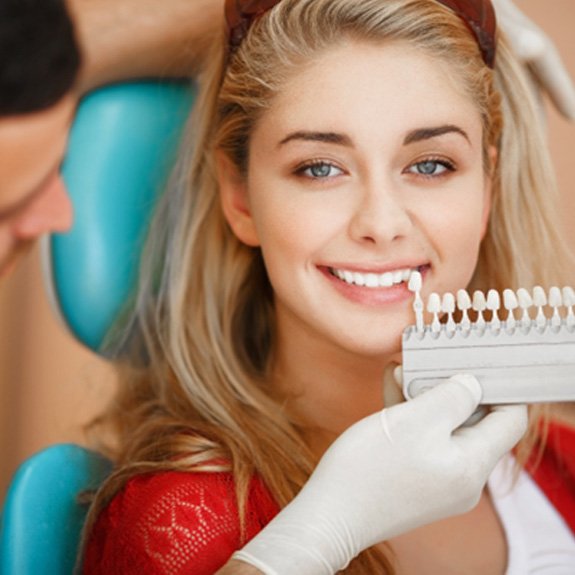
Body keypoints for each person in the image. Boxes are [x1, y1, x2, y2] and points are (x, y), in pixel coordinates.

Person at [79, 0, 575, 573]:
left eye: (432, 164)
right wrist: (316, 538)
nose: (382, 224)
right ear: (239, 196)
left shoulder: (558, 466)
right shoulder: (176, 521)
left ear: (487, 189)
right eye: (320, 168)